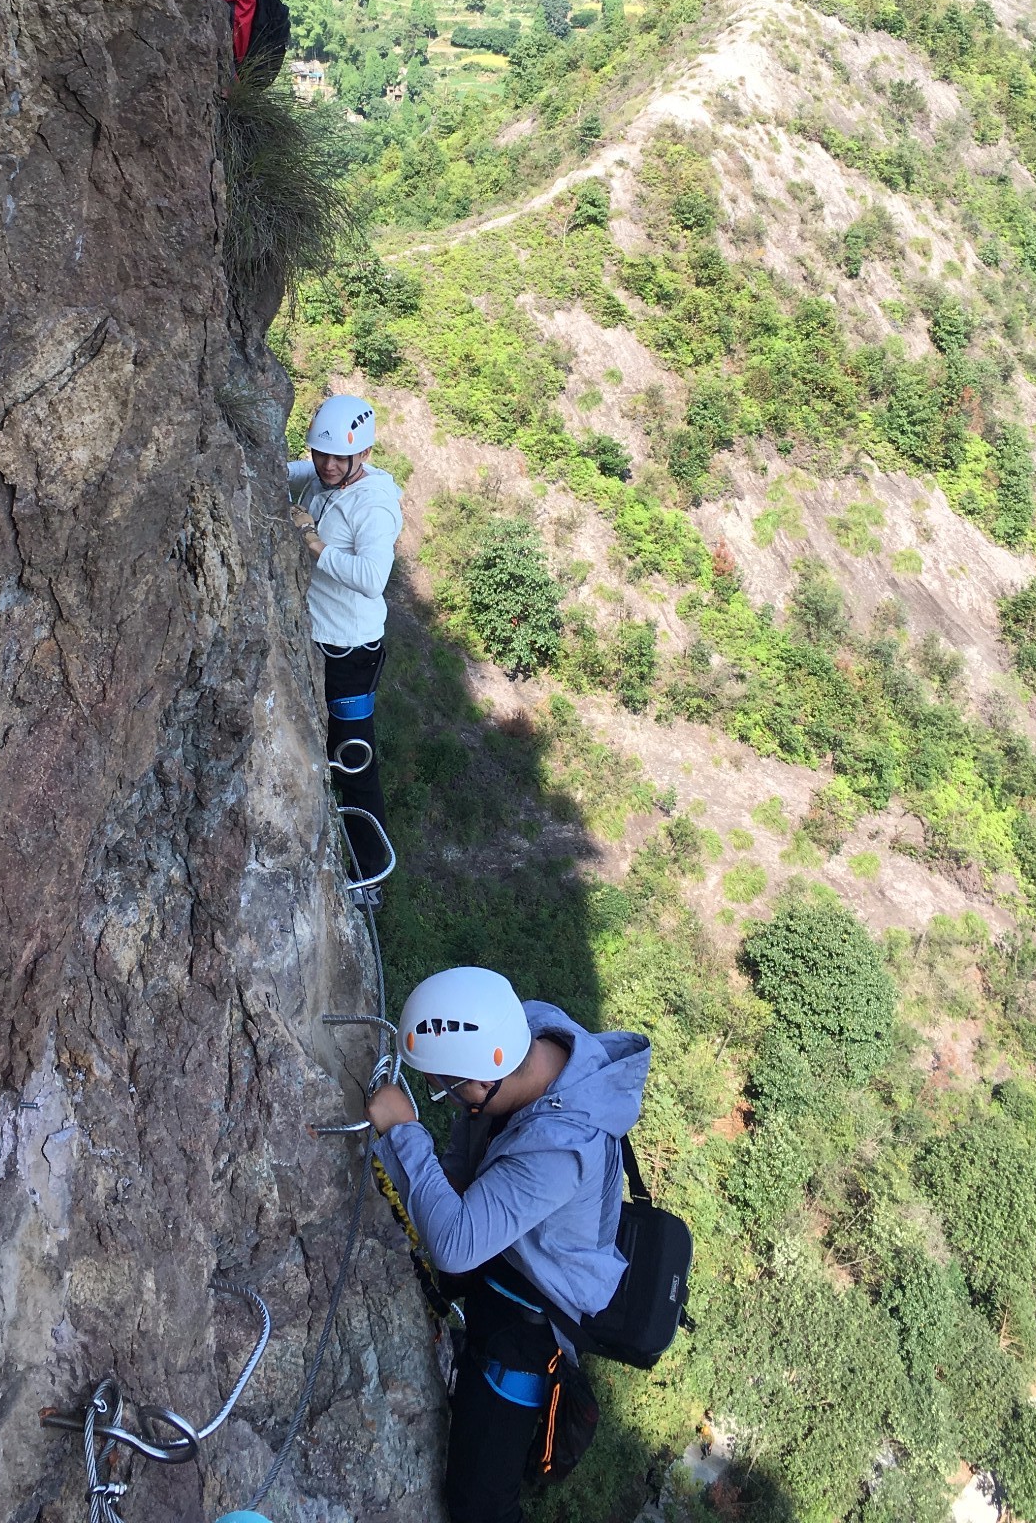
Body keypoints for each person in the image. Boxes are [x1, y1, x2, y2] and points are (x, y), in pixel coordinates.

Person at [367, 966, 650, 1523]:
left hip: (537, 1313)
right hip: (519, 1254)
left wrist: (403, 1135)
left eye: (444, 1089)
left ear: (480, 1083)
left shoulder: (557, 1150)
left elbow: (454, 1244)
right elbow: (466, 1166)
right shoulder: (531, 1028)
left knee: (480, 1506)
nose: (441, 1098)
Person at [288, 394, 404, 885]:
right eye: (320, 453)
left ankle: (370, 875)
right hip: (320, 642)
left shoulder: (374, 507)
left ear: (365, 455)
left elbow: (372, 577)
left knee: (353, 759)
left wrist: (315, 543)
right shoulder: (320, 476)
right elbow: (287, 469)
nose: (328, 465)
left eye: (339, 457)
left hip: (351, 653)